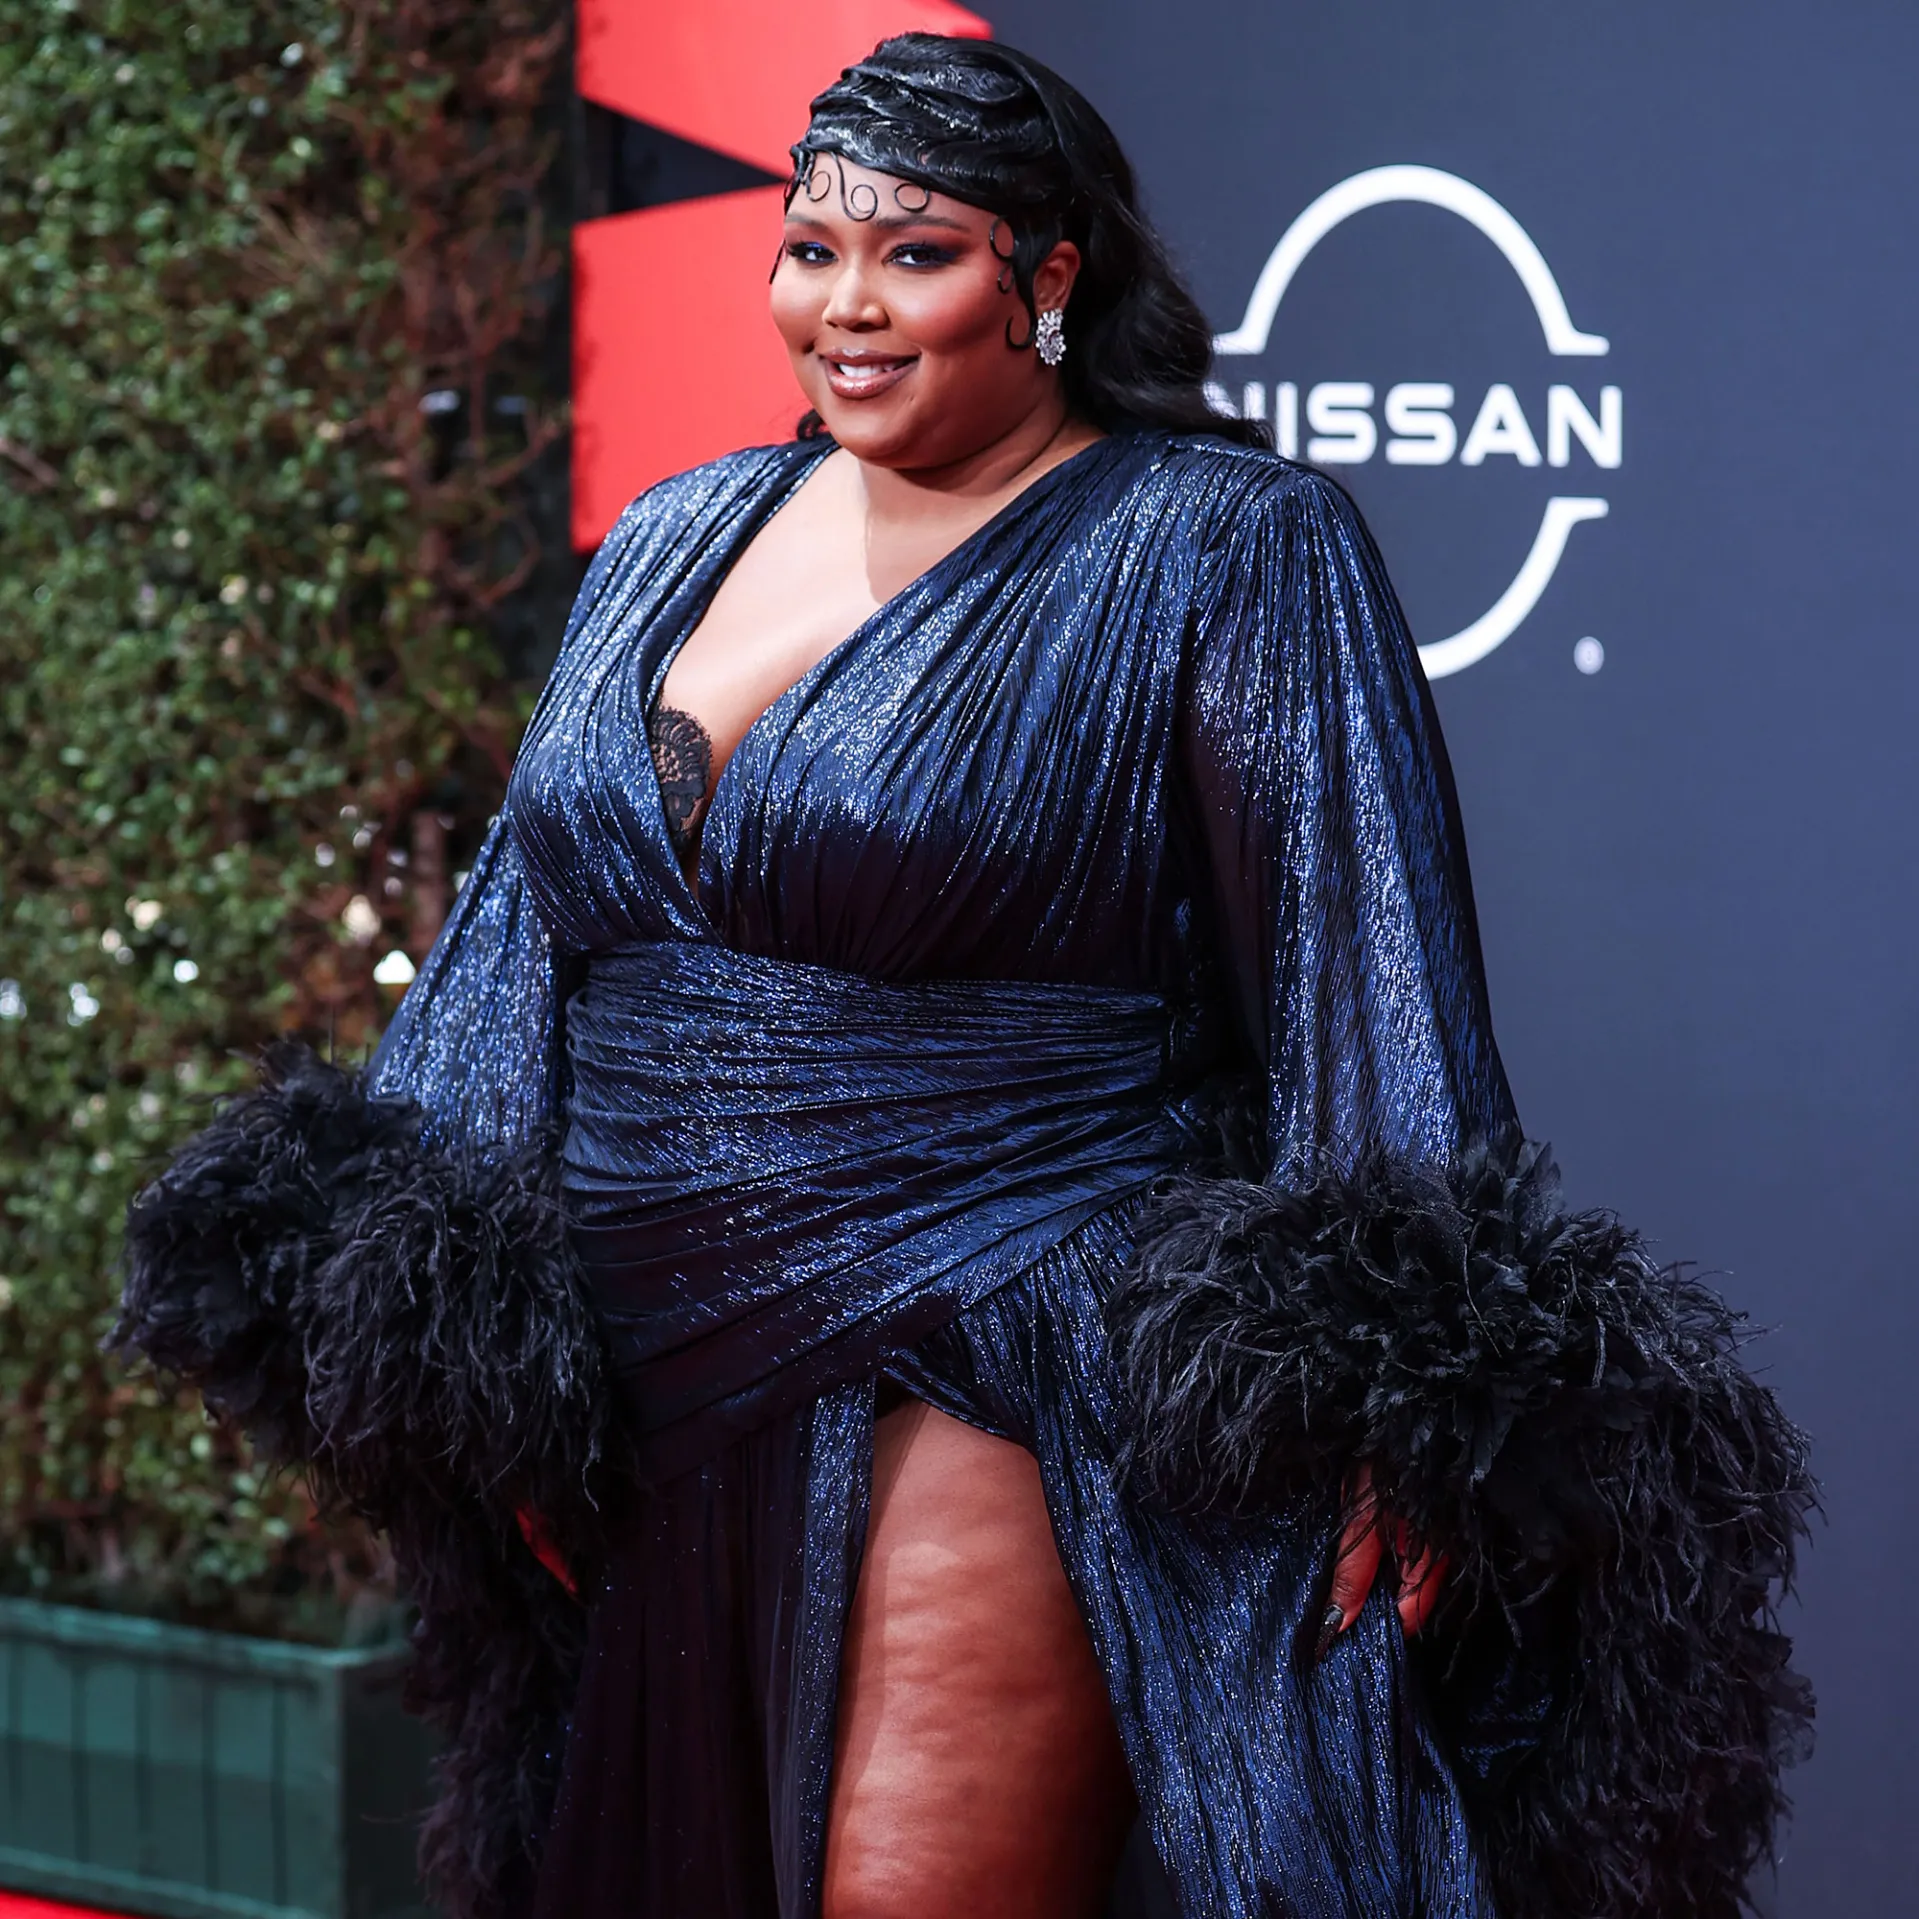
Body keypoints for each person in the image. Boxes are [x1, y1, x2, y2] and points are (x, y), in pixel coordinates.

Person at [116, 34, 1813, 1919]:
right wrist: (460, 1367)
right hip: (637, 1367)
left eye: (912, 254)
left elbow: (1366, 978)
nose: (844, 306)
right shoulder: (671, 536)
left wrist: (1412, 1410)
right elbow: (517, 950)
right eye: (809, 248)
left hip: (988, 1316)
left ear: (1047, 278)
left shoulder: (1221, 544)